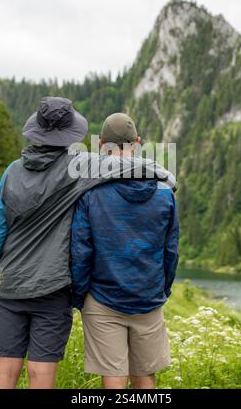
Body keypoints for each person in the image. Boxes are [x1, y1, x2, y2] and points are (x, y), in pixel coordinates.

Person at [0, 98, 176, 389]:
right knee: (40, 372)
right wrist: (164, 174)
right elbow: (123, 167)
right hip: (52, 288)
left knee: (4, 370)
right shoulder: (79, 169)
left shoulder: (11, 171)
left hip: (8, 285)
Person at [71, 113, 179, 390]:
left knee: (114, 378)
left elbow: (81, 252)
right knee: (145, 377)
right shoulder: (165, 195)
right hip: (148, 298)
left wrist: (80, 295)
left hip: (102, 299)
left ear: (102, 145)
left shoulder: (90, 194)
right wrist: (161, 290)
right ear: (138, 142)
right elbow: (170, 251)